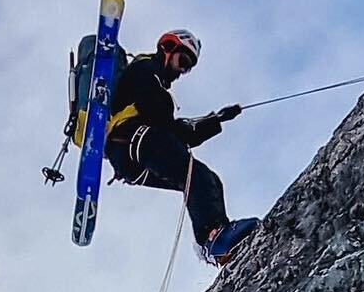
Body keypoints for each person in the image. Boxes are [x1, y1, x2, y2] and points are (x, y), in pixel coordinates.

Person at [105, 30, 260, 263]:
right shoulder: (144, 70)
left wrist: (216, 119)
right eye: (183, 61)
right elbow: (164, 121)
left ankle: (220, 245)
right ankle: (212, 238)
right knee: (195, 175)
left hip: (135, 157)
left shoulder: (156, 86)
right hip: (131, 139)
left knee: (207, 179)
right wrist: (205, 123)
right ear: (167, 48)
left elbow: (175, 129)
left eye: (187, 68)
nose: (182, 71)